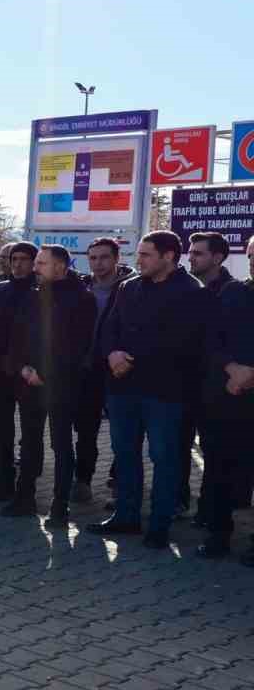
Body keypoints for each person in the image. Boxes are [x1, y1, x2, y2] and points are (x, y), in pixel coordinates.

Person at [89, 231, 208, 548]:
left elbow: (184, 342)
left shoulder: (191, 291)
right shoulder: (129, 287)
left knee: (164, 457)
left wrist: (133, 360)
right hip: (122, 387)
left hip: (164, 392)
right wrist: (112, 354)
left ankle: (159, 524)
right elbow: (109, 327)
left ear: (169, 256)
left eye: (146, 255)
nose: (138, 260)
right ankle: (126, 517)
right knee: (125, 454)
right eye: (138, 254)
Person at [17, 245, 96, 523]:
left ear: (61, 266)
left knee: (61, 444)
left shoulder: (82, 298)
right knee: (28, 440)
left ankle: (60, 505)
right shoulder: (35, 294)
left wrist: (46, 374)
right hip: (29, 381)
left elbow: (75, 347)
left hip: (61, 384)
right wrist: (25, 366)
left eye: (42, 263)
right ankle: (23, 498)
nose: (35, 268)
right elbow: (26, 336)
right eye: (36, 263)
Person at [198, 251, 254, 560]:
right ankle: (218, 534)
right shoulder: (232, 292)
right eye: (253, 255)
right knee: (219, 467)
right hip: (227, 395)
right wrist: (232, 368)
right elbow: (210, 338)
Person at [183, 231, 236, 523]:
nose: (191, 257)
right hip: (191, 386)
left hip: (218, 390)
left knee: (216, 453)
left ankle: (213, 513)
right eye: (190, 252)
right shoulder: (197, 291)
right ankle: (199, 508)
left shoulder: (232, 292)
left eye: (198, 253)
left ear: (217, 257)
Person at [75, 238, 132, 504]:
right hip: (87, 370)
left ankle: (119, 483)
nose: (98, 263)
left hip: (118, 369)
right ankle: (83, 480)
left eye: (104, 257)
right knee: (86, 429)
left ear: (117, 258)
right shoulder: (82, 287)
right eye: (93, 258)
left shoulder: (131, 288)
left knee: (123, 432)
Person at [0, 242, 40, 504]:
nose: (17, 264)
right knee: (1, 429)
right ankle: (4, 481)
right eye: (14, 259)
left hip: (30, 374)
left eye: (24, 259)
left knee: (31, 432)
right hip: (0, 372)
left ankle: (26, 488)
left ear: (34, 262)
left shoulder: (42, 292)